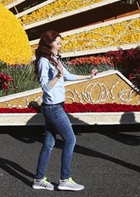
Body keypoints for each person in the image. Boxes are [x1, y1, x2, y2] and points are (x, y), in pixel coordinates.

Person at [32, 30, 98, 191]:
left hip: (56, 106)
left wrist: (89, 77)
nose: (60, 45)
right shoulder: (43, 62)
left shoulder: (54, 59)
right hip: (52, 107)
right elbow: (45, 87)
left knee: (48, 143)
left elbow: (68, 76)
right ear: (49, 44)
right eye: (57, 42)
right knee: (70, 140)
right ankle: (64, 179)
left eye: (60, 42)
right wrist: (57, 76)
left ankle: (39, 179)